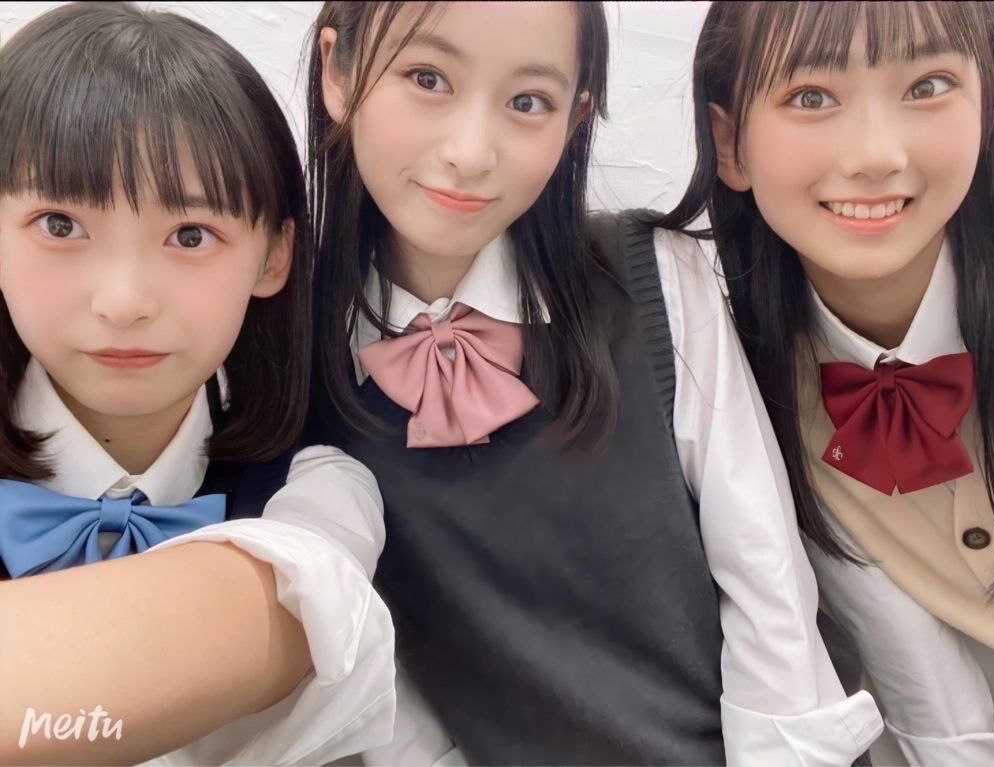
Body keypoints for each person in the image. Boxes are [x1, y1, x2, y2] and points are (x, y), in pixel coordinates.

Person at [305, 2, 882, 764]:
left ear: (575, 118)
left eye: (527, 101)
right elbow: (382, 696)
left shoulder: (651, 279)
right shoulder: (299, 359)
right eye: (428, 78)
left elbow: (767, 583)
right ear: (338, 72)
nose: (470, 152)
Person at [0, 3, 394, 764]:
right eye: (60, 225)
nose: (122, 302)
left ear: (273, 256)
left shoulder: (316, 490)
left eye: (189, 235)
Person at [659, 1, 994, 764]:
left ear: (990, 104)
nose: (875, 154)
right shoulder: (726, 392)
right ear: (730, 144)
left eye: (927, 86)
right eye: (812, 96)